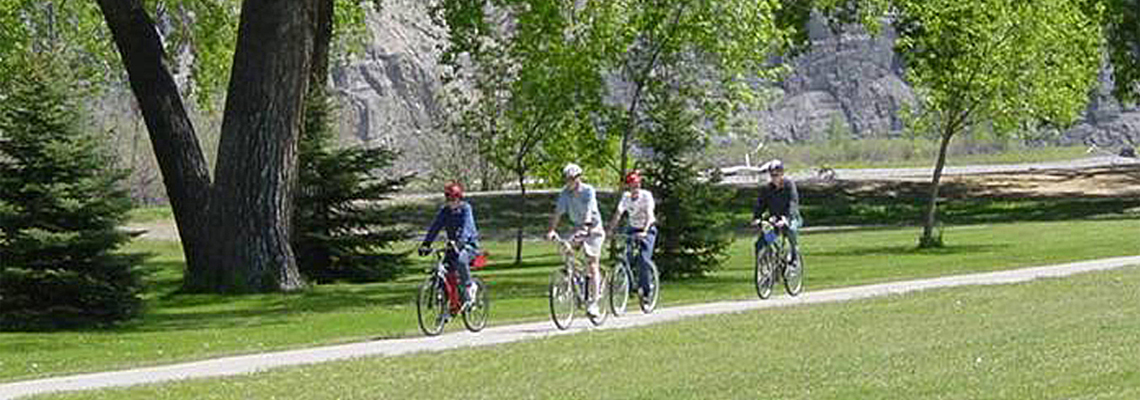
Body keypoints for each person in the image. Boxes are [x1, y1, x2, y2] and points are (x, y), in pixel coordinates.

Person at [546, 163, 606, 317]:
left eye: (572, 178)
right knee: (566, 249)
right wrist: (552, 230)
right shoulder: (564, 193)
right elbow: (558, 212)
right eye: (567, 179)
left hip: (593, 228)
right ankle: (579, 282)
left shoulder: (588, 191)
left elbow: (588, 210)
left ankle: (594, 303)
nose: (570, 181)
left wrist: (586, 228)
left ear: (579, 178)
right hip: (577, 226)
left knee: (592, 263)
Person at [419, 181, 480, 310]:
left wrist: (460, 241)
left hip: (468, 245)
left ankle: (470, 287)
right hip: (453, 246)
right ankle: (450, 305)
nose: (450, 200)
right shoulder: (445, 211)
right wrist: (426, 243)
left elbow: (467, 228)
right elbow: (435, 227)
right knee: (444, 270)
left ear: (459, 197)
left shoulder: (466, 209)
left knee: (461, 259)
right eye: (447, 197)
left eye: (452, 197)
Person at [606, 170, 657, 300]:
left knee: (643, 259)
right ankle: (629, 287)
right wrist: (610, 231)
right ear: (628, 186)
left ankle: (646, 291)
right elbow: (618, 214)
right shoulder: (626, 197)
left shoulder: (646, 196)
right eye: (632, 185)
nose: (635, 187)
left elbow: (650, 216)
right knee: (625, 256)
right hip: (632, 228)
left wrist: (645, 232)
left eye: (637, 184)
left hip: (647, 228)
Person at [752, 160, 802, 263]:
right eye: (772, 174)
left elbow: (793, 203)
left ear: (782, 173)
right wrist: (756, 218)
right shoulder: (767, 188)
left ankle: (794, 253)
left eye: (776, 174)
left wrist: (787, 218)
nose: (774, 177)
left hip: (791, 217)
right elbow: (761, 204)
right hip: (775, 219)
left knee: (790, 230)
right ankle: (767, 266)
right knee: (761, 242)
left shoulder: (789, 185)